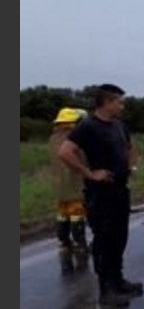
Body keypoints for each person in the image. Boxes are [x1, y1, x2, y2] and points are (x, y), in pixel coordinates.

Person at [58, 84, 143, 299]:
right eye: (119, 102)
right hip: (100, 193)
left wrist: (130, 167)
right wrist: (89, 173)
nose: (122, 107)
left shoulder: (119, 126)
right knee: (104, 239)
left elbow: (131, 147)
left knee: (119, 237)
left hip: (120, 190)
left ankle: (118, 279)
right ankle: (106, 287)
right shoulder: (88, 126)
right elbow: (65, 152)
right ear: (106, 102)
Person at [49, 107, 90, 255]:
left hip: (59, 185)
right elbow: (84, 159)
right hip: (74, 183)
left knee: (62, 214)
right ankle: (80, 244)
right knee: (76, 214)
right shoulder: (74, 138)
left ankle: (65, 244)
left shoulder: (53, 138)